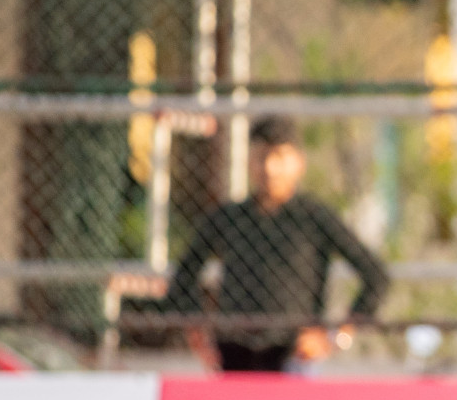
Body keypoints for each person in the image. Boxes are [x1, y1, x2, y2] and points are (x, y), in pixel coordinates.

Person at [165, 118, 389, 372]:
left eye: (280, 157)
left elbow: (376, 275)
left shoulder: (313, 217)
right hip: (233, 352)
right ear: (249, 161)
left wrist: (335, 337)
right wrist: (198, 335)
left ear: (299, 162)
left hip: (294, 356)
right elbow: (183, 277)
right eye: (261, 157)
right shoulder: (229, 218)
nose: (270, 168)